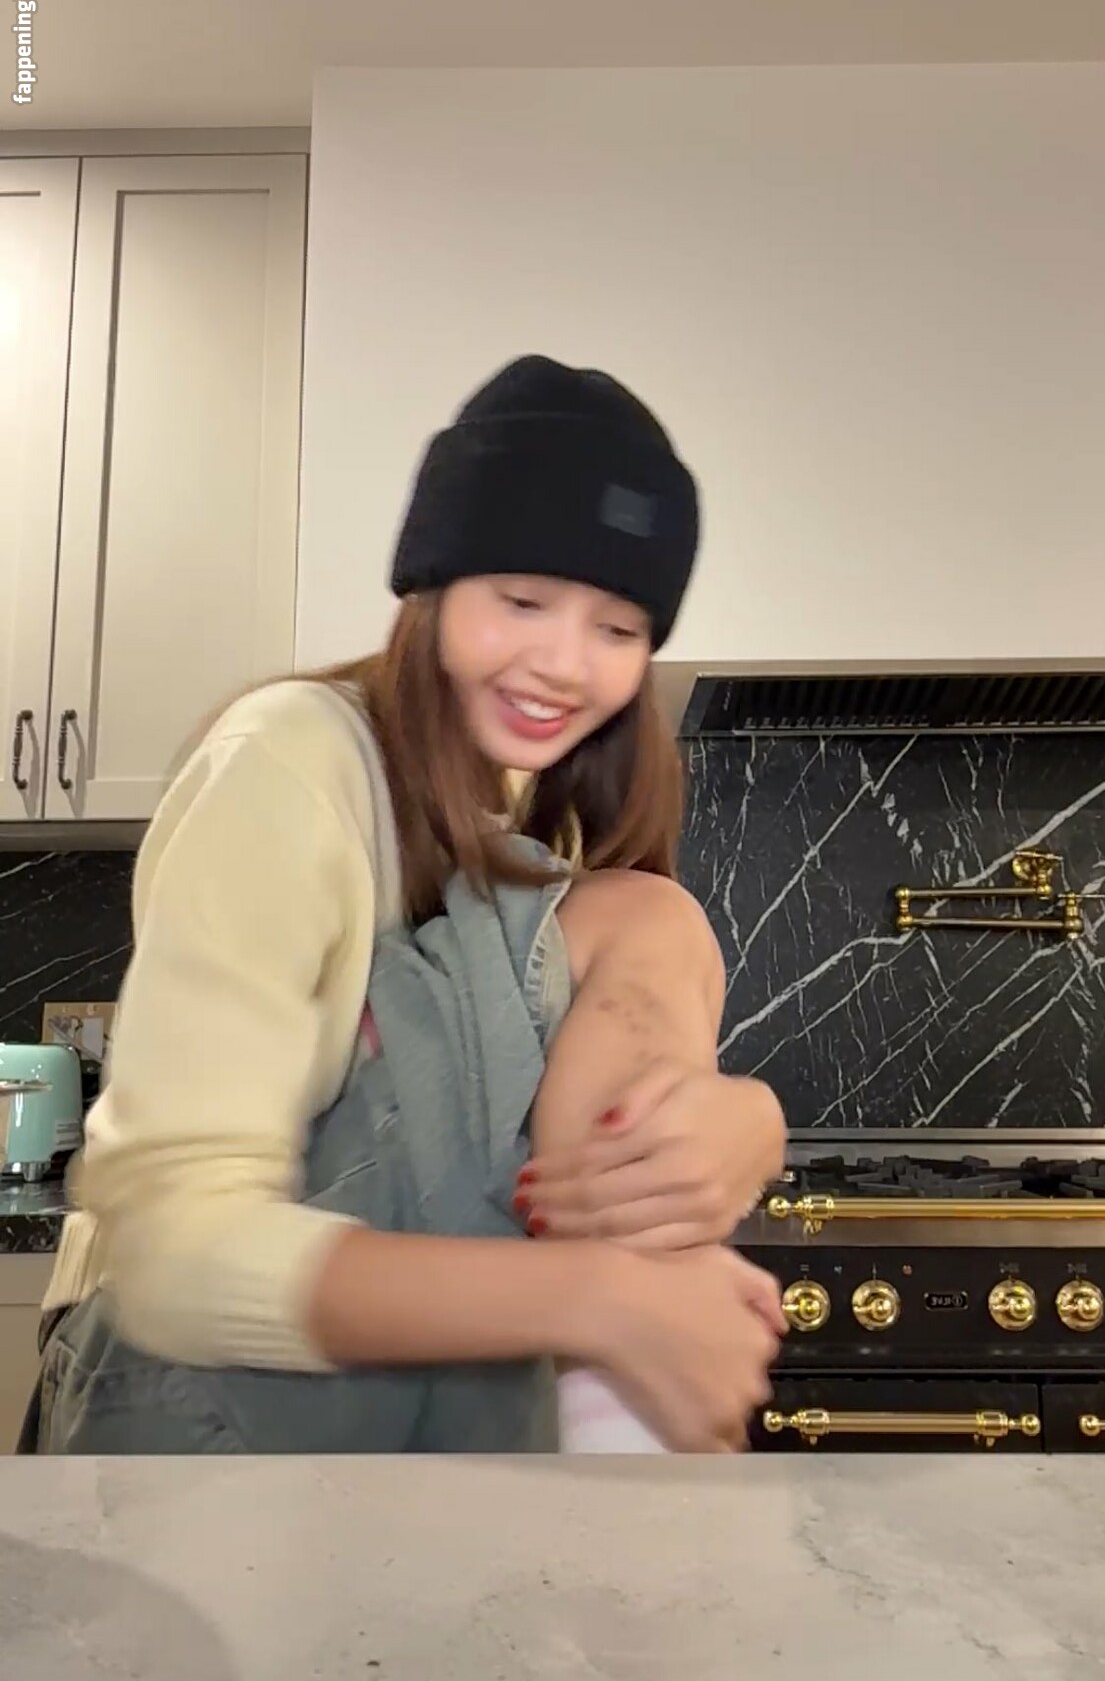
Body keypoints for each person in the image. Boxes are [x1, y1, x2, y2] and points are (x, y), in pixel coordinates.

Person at [22, 355, 788, 1457]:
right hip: (199, 1406)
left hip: (409, 1410)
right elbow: (171, 1258)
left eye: (618, 630)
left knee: (650, 914)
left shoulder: (545, 815)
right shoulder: (291, 759)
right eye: (521, 601)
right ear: (430, 588)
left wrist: (743, 1126)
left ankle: (624, 1470)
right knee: (647, 917)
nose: (564, 665)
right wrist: (600, 1300)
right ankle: (628, 1463)